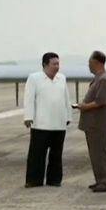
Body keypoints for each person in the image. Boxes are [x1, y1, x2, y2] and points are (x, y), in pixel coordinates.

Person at [23, 52, 72, 187]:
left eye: (58, 64)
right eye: (54, 64)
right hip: (41, 124)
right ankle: (34, 180)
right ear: (45, 65)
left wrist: (68, 116)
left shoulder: (62, 78)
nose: (57, 67)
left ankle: (54, 179)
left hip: (58, 123)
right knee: (37, 154)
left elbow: (66, 98)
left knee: (56, 154)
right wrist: (28, 117)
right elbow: (29, 99)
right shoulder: (34, 78)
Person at [75, 50, 106, 192]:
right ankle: (100, 180)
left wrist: (84, 106)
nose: (88, 66)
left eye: (89, 63)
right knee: (95, 155)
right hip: (93, 124)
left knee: (100, 155)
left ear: (96, 62)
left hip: (98, 124)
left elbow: (101, 101)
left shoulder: (103, 79)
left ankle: (105, 182)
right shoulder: (99, 78)